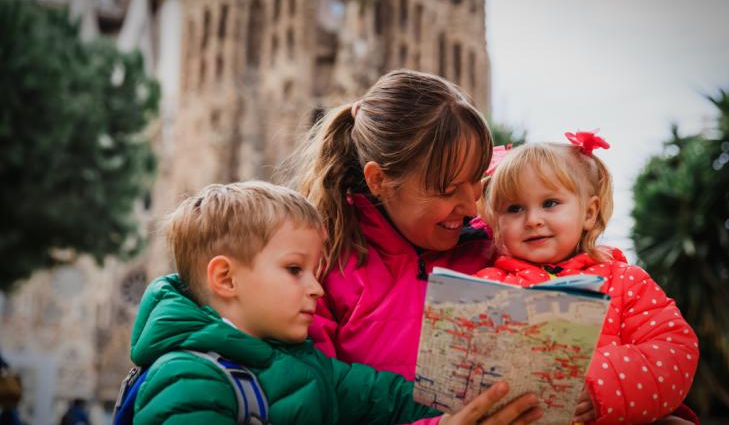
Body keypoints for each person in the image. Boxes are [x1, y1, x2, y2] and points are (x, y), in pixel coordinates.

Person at [129, 180, 540, 425]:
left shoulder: (304, 362)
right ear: (225, 278)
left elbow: (392, 397)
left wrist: (484, 400)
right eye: (295, 270)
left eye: (315, 270)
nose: (317, 288)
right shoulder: (186, 378)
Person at [289, 69, 542, 423]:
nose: (471, 207)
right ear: (379, 181)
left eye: (477, 182)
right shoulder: (319, 266)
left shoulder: (498, 243)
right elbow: (311, 406)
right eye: (447, 189)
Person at [474, 131, 700, 425]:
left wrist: (602, 387)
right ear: (495, 220)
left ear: (589, 213)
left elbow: (674, 352)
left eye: (550, 203)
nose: (532, 220)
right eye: (514, 208)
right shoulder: (486, 285)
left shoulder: (625, 281)